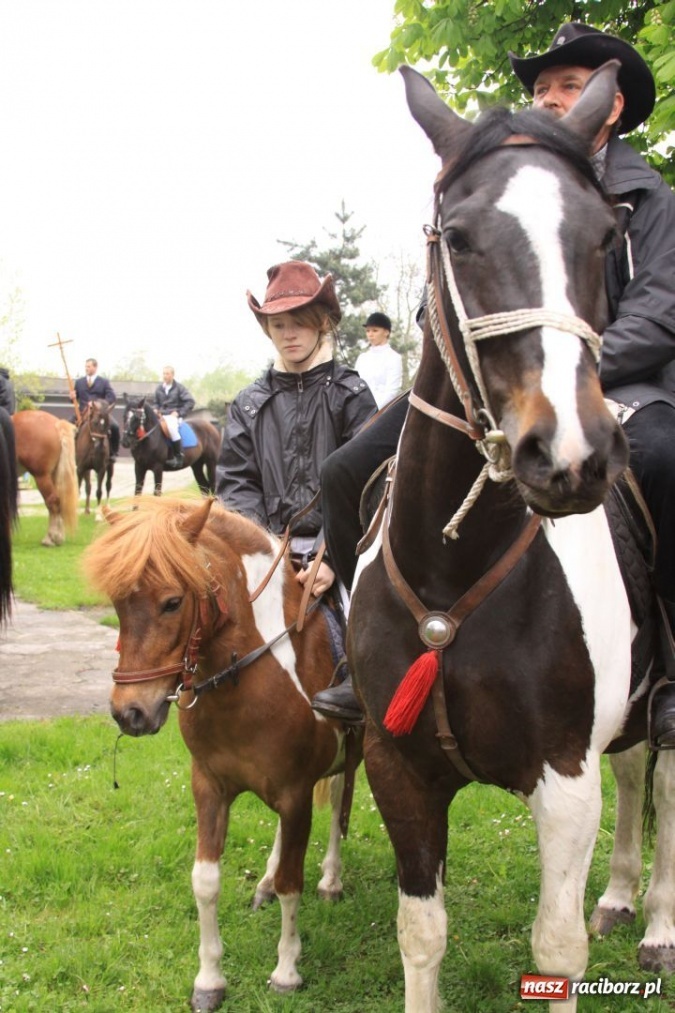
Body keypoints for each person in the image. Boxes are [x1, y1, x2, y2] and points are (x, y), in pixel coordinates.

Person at [313, 23, 675, 749]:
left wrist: (577, 366)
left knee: (666, 461)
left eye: (567, 86)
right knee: (343, 467)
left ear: (608, 106)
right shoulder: (498, 184)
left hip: (621, 380)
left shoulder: (649, 197)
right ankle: (363, 658)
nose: (547, 97)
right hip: (496, 383)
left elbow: (661, 305)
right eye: (539, 87)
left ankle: (667, 666)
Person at [216, 260, 377, 601]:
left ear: (320, 323)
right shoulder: (248, 404)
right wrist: (267, 551)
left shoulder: (351, 394)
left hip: (345, 552)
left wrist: (331, 555)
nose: (289, 334)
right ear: (267, 329)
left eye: (299, 323)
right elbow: (236, 483)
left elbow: (368, 482)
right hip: (267, 558)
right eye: (278, 324)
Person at [70, 357, 120, 457]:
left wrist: (97, 404)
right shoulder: (79, 382)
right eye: (85, 366)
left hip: (99, 414)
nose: (86, 368)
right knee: (66, 426)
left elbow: (112, 397)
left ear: (95, 367)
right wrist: (72, 397)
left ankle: (113, 453)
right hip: (82, 413)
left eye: (88, 366)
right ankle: (69, 452)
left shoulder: (104, 382)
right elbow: (74, 399)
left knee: (115, 427)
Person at [355, 312, 403, 409]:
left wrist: (373, 411)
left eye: (375, 331)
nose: (370, 335)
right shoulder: (362, 358)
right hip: (359, 411)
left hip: (382, 412)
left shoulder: (394, 358)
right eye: (368, 331)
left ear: (386, 332)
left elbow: (392, 392)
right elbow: (355, 386)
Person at [152, 366, 196, 470]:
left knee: (171, 428)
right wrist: (155, 409)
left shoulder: (180, 388)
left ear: (172, 375)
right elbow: (155, 403)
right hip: (161, 415)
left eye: (167, 374)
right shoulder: (159, 388)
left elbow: (190, 402)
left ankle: (179, 456)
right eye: (164, 374)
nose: (165, 376)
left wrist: (179, 412)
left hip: (173, 416)